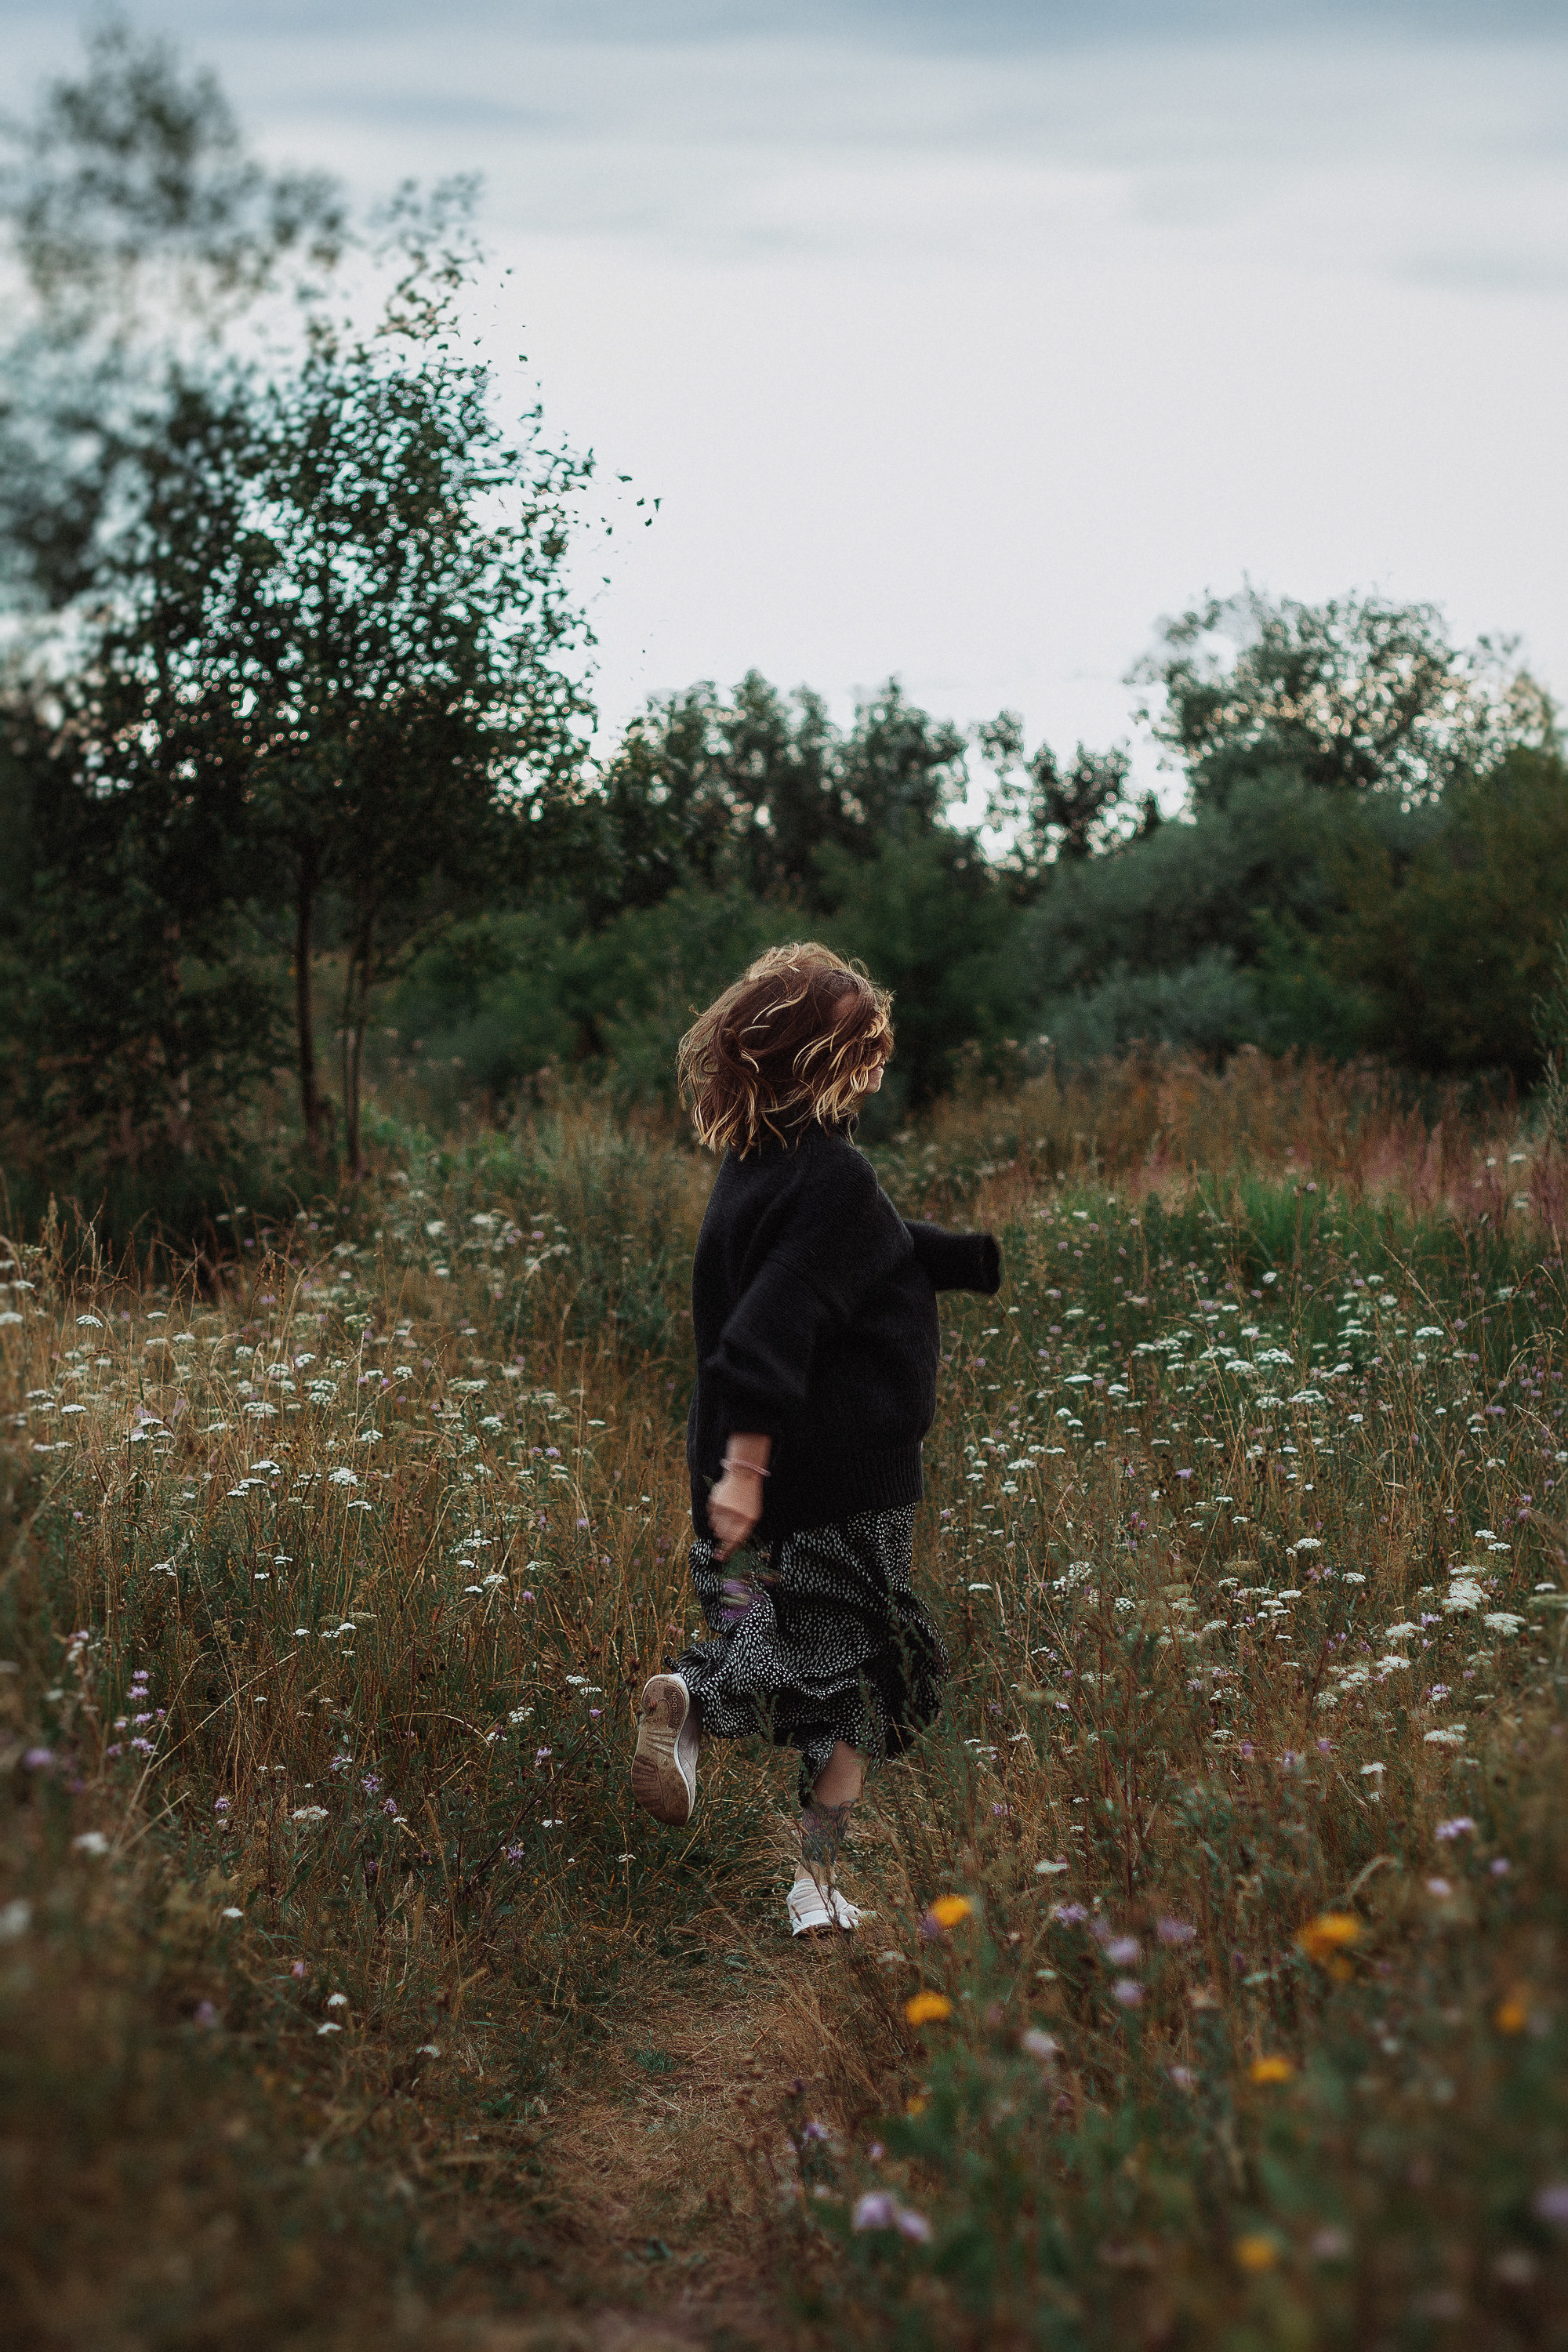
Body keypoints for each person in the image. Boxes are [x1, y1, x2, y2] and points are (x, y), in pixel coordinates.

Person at [630, 942, 1001, 1936]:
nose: (877, 1071)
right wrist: (752, 1469)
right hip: (827, 1487)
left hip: (739, 1490)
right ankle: (707, 1714)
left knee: (815, 1658)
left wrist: (964, 1260)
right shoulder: (831, 1174)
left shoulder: (761, 1166)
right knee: (869, 1676)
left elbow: (860, 1247)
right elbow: (773, 1325)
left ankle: (811, 1877)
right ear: (820, 1062)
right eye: (863, 1053)